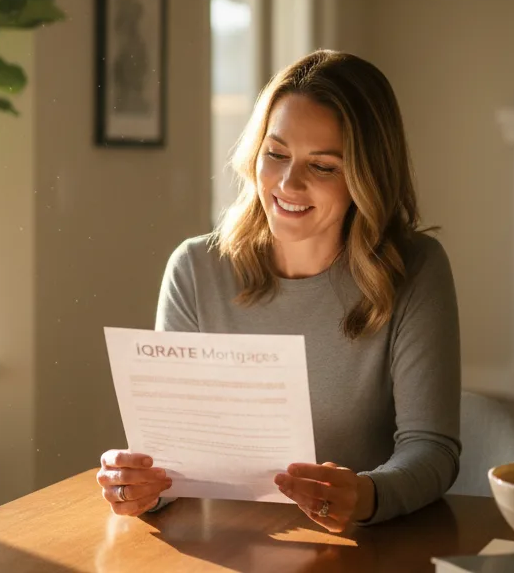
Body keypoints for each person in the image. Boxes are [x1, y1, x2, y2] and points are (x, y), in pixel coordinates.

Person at [96, 49, 462, 532]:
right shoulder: (195, 270)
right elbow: (173, 461)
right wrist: (142, 487)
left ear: (366, 178)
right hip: (223, 547)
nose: (288, 183)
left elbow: (431, 450)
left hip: (364, 548)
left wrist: (366, 495)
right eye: (276, 154)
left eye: (324, 166)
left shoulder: (415, 269)